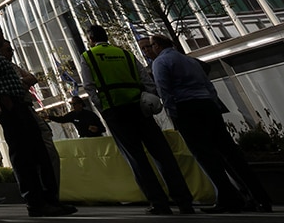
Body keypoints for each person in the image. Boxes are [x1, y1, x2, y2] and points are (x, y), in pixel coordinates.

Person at [147, 34, 272, 214]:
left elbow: (164, 90)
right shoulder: (190, 61)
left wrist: (173, 114)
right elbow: (208, 85)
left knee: (206, 156)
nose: (150, 49)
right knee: (230, 153)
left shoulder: (160, 62)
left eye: (151, 46)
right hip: (208, 105)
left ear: (157, 45)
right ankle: (259, 197)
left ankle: (227, 198)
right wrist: (213, 104)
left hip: (186, 108)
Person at [79, 25, 194, 215]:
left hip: (115, 111)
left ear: (90, 39)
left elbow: (90, 88)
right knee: (162, 153)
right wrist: (147, 100)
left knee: (136, 158)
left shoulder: (88, 57)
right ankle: (184, 201)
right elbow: (146, 81)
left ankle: (159, 203)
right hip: (140, 109)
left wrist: (104, 108)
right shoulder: (126, 53)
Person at [0, 22, 73, 217]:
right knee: (24, 155)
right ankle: (36, 202)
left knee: (37, 152)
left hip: (18, 106)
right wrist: (7, 104)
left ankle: (48, 199)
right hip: (13, 107)